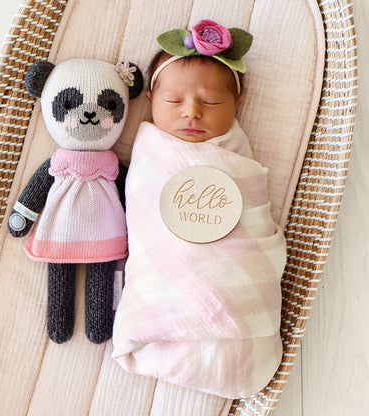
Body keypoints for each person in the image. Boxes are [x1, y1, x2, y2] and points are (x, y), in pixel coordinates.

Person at [112, 20, 287, 399]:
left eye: (210, 102)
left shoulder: (238, 161)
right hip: (165, 291)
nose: (191, 112)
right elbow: (143, 223)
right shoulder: (152, 155)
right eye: (174, 102)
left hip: (237, 292)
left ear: (238, 104)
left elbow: (253, 218)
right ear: (150, 100)